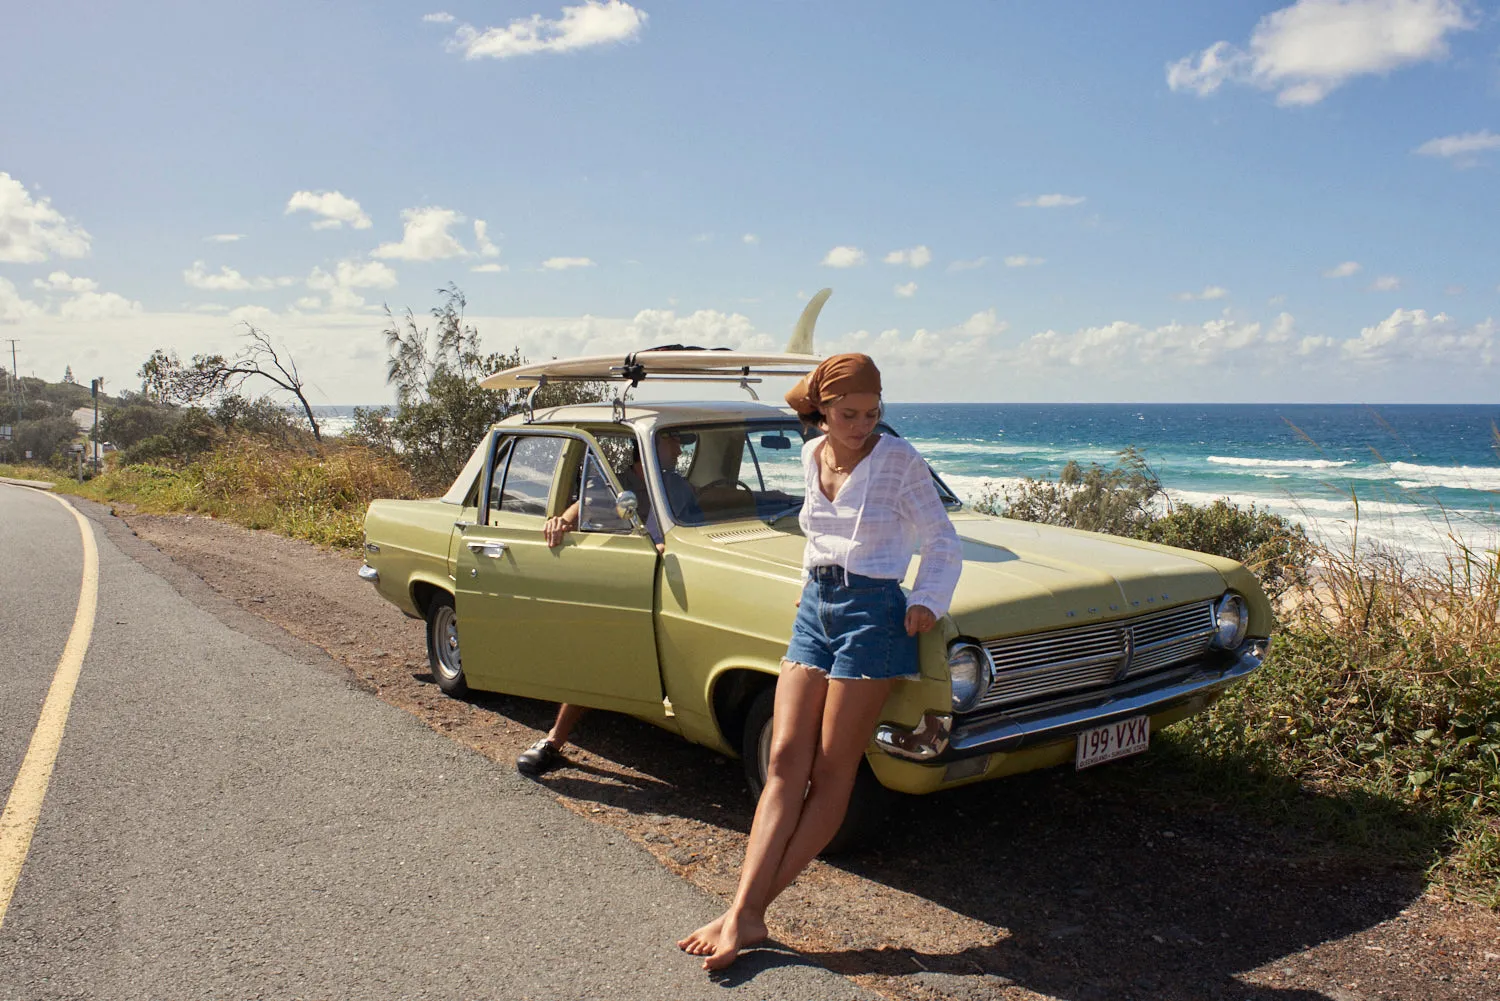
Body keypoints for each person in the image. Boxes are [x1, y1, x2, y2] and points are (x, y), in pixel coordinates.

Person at [676, 352, 962, 970]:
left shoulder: (898, 461)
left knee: (832, 772)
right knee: (783, 759)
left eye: (873, 412)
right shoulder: (811, 456)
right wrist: (814, 595)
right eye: (850, 413)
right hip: (816, 607)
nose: (865, 424)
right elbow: (816, 536)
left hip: (874, 615)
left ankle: (747, 913)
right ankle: (743, 911)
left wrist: (928, 603)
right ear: (824, 412)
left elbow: (942, 539)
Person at [515, 430, 700, 777]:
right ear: (651, 448)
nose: (678, 450)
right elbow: (584, 507)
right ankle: (554, 740)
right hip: (624, 579)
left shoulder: (678, 486)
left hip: (670, 577)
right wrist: (563, 521)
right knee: (594, 656)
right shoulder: (615, 483)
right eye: (673, 441)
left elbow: (695, 528)